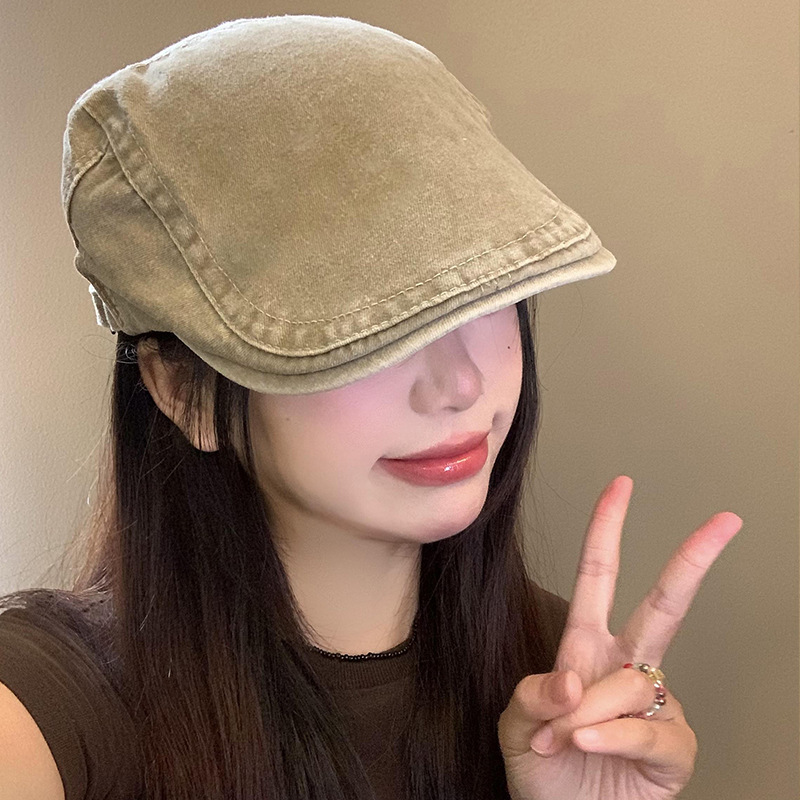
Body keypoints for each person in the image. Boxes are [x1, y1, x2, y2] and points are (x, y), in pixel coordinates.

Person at [0, 14, 742, 800]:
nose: (458, 385)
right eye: (368, 327)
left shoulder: (565, 679)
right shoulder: (44, 711)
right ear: (183, 393)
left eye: (483, 295)